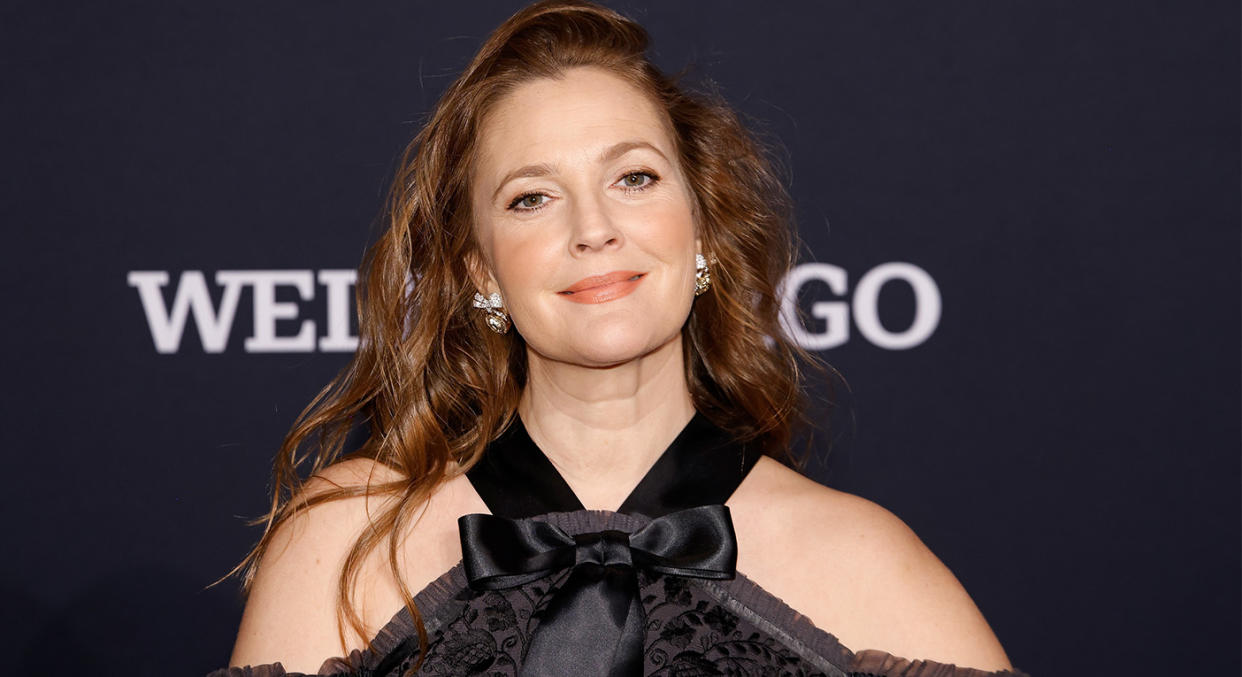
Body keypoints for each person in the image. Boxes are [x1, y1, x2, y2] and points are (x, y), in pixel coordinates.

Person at [212, 1, 1025, 675]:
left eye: (633, 178)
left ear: (701, 229)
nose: (594, 228)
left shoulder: (864, 564)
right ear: (479, 272)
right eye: (532, 197)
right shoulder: (347, 542)